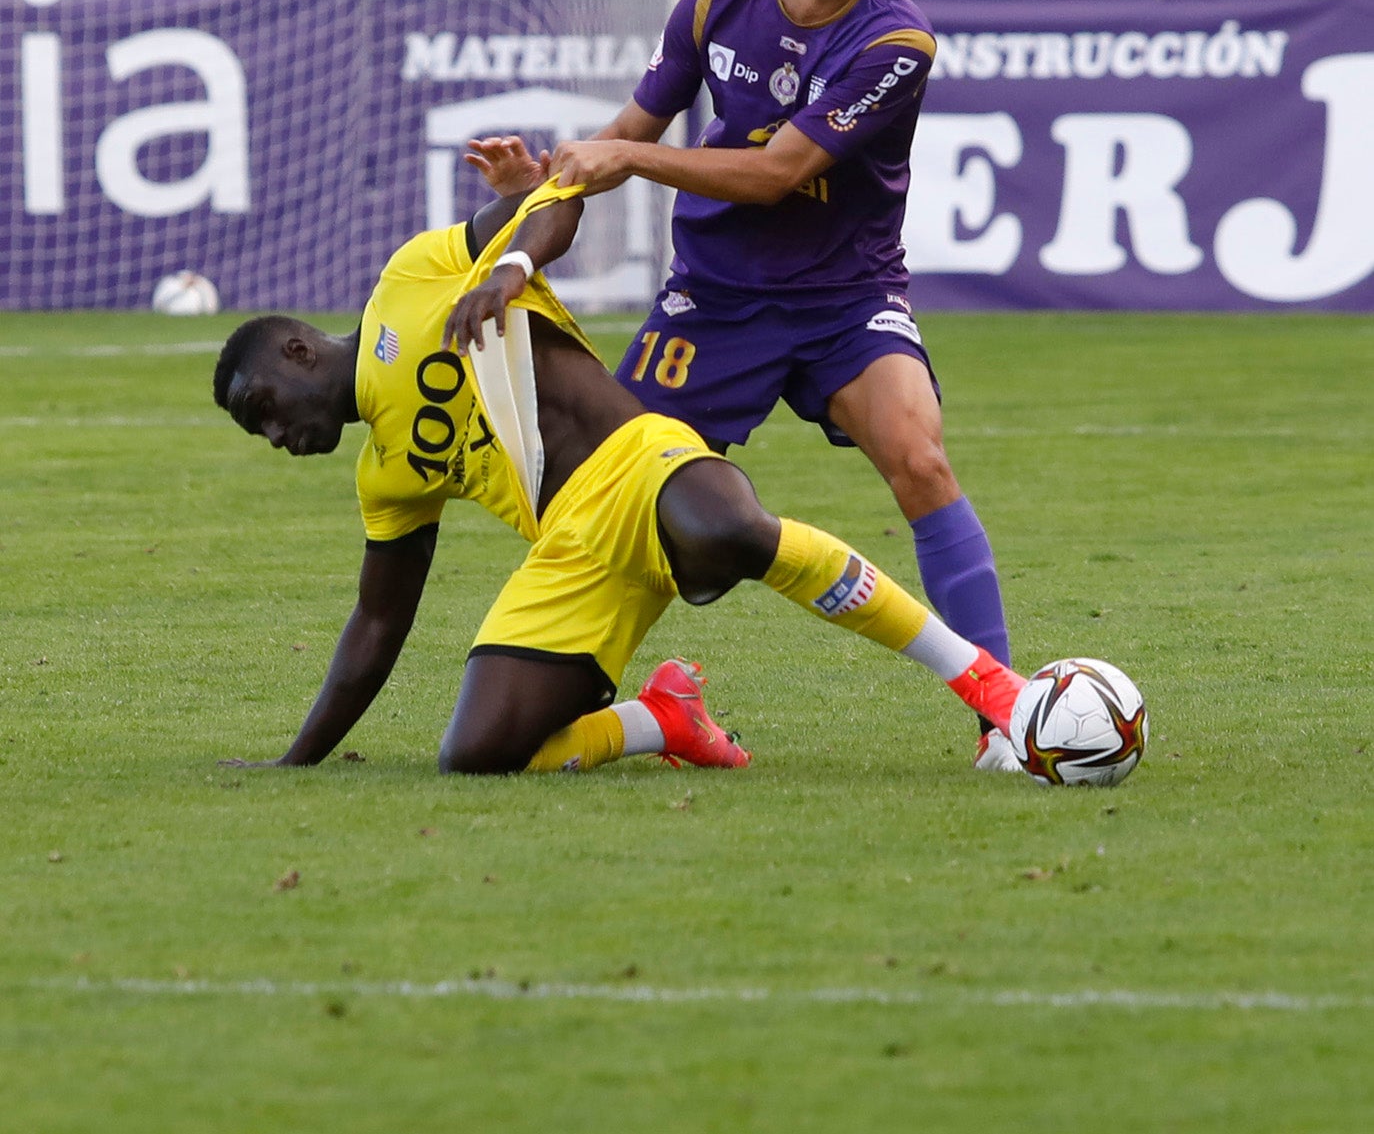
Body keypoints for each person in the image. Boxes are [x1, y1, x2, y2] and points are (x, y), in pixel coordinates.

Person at [467, 0, 1019, 772]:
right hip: (714, 301)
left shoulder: (896, 41)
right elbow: (626, 128)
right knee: (612, 501)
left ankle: (1006, 718)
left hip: (847, 297)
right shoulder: (717, 0)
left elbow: (775, 172)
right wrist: (540, 190)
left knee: (919, 459)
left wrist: (628, 158)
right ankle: (611, 702)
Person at [212, 178, 1024, 776]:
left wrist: (512, 267)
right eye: (260, 430)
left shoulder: (409, 282)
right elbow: (376, 625)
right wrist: (295, 762)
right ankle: (659, 719)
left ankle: (988, 683)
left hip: (634, 458)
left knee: (729, 529)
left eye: (264, 408)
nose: (276, 434)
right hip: (573, 552)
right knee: (477, 754)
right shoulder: (386, 478)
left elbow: (556, 194)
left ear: (297, 351)